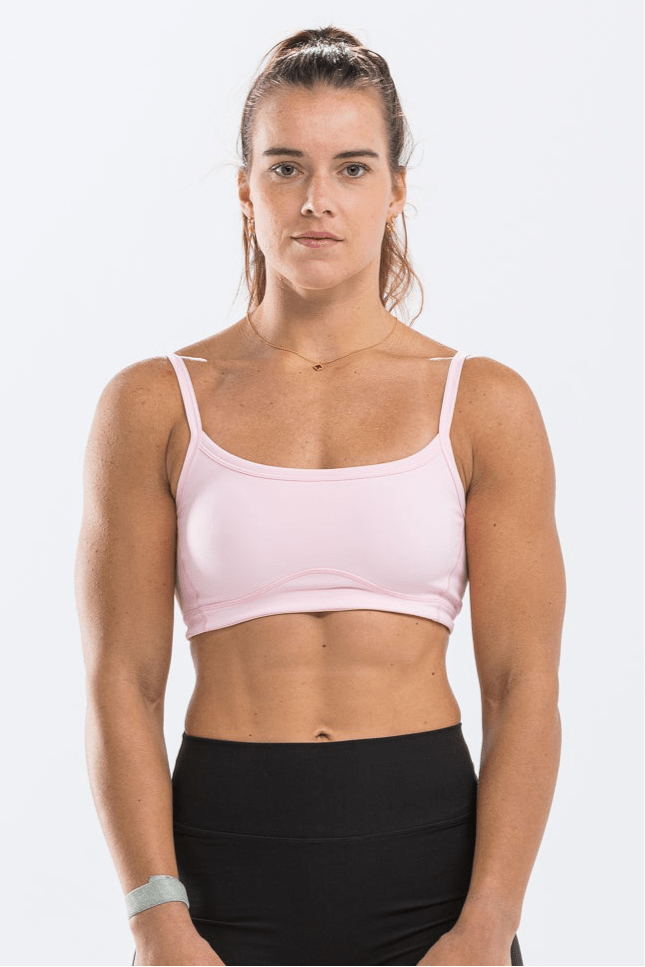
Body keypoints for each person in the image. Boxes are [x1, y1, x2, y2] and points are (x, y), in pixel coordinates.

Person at [75, 25, 565, 967]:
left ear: (395, 189)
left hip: (432, 880)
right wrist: (156, 919)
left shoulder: (482, 403)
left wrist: (485, 927)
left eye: (351, 168)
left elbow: (523, 684)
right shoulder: (153, 403)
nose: (316, 200)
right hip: (219, 882)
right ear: (245, 188)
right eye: (286, 167)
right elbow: (120, 684)